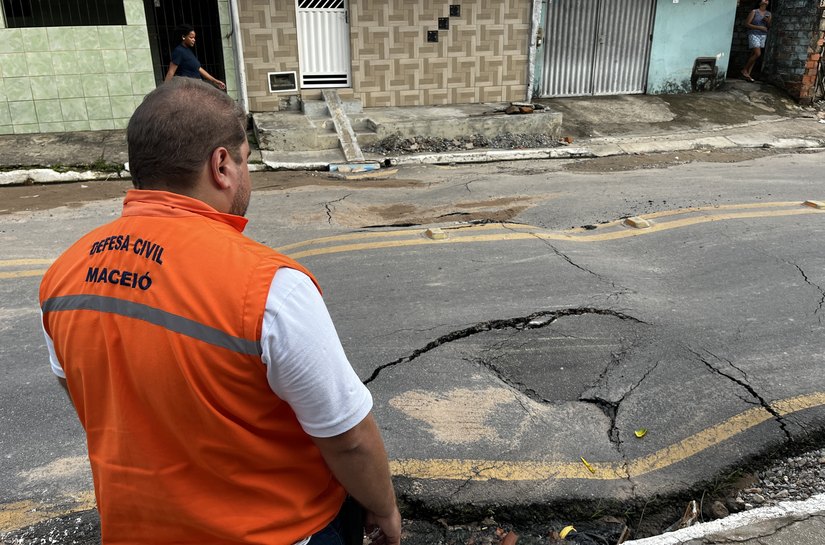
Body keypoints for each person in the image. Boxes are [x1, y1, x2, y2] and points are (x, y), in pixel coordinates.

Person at [39, 77, 401, 545]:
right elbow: (346, 437)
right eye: (246, 160)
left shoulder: (63, 274)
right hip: (278, 532)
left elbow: (90, 397)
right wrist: (385, 508)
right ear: (222, 165)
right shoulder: (269, 286)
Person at [164, 24, 226, 90]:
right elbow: (171, 72)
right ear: (183, 37)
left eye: (194, 38)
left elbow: (198, 68)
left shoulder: (188, 51)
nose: (194, 40)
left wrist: (215, 81)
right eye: (191, 37)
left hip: (197, 86)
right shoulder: (178, 51)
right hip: (188, 88)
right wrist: (164, 90)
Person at [741, 0, 772, 82]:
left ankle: (748, 74)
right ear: (759, 2)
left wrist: (767, 21)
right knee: (758, 54)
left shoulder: (768, 13)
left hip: (763, 35)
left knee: (754, 54)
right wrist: (759, 28)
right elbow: (747, 24)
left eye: (767, 0)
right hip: (753, 33)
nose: (765, 1)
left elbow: (769, 26)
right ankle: (744, 70)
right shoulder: (754, 11)